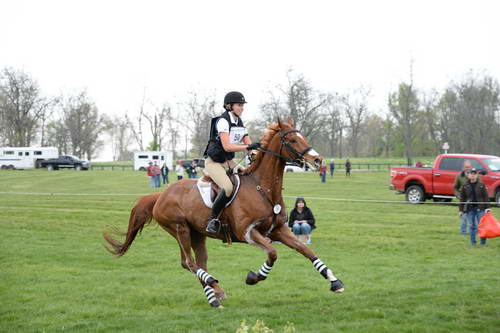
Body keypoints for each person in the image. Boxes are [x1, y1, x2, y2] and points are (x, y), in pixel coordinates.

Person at [203, 91, 260, 234]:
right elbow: (227, 146)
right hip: (214, 163)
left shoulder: (239, 122)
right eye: (239, 105)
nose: (242, 108)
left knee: (249, 177)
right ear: (229, 106)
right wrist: (248, 147)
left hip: (229, 161)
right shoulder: (222, 121)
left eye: (242, 105)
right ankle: (213, 219)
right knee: (228, 187)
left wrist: (256, 154)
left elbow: (248, 142)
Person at [459, 168, 491, 246]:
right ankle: (473, 242)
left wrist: (488, 208)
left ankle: (483, 243)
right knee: (472, 226)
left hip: (481, 208)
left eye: (474, 174)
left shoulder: (481, 185)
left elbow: (486, 197)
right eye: (471, 174)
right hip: (470, 209)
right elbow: (462, 198)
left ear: (476, 175)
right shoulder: (465, 185)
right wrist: (461, 210)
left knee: (482, 226)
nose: (472, 175)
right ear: (468, 175)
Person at [454, 160, 472, 234]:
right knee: (463, 216)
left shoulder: (475, 175)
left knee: (473, 217)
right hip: (463, 200)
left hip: (473, 199)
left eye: (469, 167)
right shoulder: (459, 176)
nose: (468, 168)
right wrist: (458, 195)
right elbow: (455, 187)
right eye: (466, 167)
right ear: (463, 167)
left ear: (471, 167)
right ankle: (463, 232)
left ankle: (474, 232)